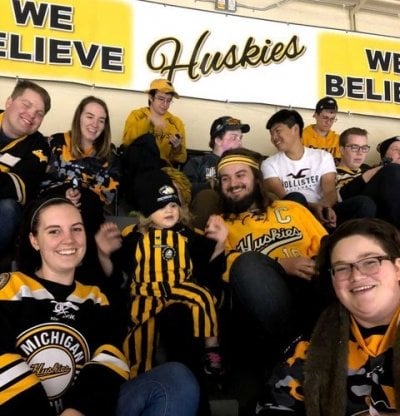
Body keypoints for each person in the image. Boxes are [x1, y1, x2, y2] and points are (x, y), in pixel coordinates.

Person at [0, 196, 200, 416]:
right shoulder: (8, 286)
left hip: (87, 410)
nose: (69, 240)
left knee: (175, 379)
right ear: (34, 240)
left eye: (76, 229)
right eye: (54, 231)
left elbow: (110, 358)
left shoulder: (96, 297)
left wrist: (77, 410)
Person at [256, 218, 400, 415]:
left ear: (398, 268)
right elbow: (273, 406)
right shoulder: (310, 348)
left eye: (370, 262)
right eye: (342, 268)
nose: (356, 276)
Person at [205, 148, 328, 349]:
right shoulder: (220, 225)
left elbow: (327, 245)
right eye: (225, 179)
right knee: (248, 264)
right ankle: (295, 352)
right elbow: (226, 270)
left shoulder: (292, 208)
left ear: (256, 178)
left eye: (240, 175)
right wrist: (280, 265)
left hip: (312, 286)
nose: (233, 184)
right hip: (265, 300)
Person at [117, 170, 225, 380]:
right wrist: (105, 250)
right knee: (140, 330)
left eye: (173, 205)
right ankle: (137, 374)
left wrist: (218, 243)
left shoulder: (187, 235)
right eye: (161, 206)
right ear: (147, 210)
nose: (169, 210)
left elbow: (205, 262)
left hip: (178, 286)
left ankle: (211, 348)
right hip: (145, 291)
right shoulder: (134, 237)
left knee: (202, 296)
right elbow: (119, 264)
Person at [262, 109, 376, 229]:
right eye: (271, 134)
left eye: (277, 131)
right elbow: (283, 197)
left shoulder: (323, 156)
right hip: (294, 215)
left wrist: (324, 209)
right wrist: (313, 207)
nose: (274, 137)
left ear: (295, 129)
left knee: (364, 203)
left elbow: (329, 191)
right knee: (296, 197)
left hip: (324, 212)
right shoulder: (269, 164)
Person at [40, 95, 119, 236]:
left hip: (87, 207)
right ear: (79, 117)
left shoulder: (109, 153)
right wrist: (64, 196)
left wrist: (78, 195)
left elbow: (107, 194)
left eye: (101, 121)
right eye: (90, 117)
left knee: (89, 205)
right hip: (52, 201)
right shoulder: (55, 142)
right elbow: (41, 181)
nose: (95, 124)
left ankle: (86, 256)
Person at [0, 79, 51, 261]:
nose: (31, 114)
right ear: (9, 102)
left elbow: (16, 189)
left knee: (7, 208)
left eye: (39, 113)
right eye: (26, 105)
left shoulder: (40, 147)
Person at [121, 78, 186, 209]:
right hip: (135, 169)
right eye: (161, 99)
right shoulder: (137, 115)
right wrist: (149, 120)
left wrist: (177, 147)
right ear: (151, 97)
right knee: (148, 140)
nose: (165, 104)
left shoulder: (176, 122)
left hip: (161, 170)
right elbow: (127, 141)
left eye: (169, 100)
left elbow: (182, 158)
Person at [183, 115, 250, 229]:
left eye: (240, 138)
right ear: (218, 140)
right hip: (207, 213)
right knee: (208, 195)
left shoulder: (244, 165)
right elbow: (184, 188)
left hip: (236, 213)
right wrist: (214, 185)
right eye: (234, 137)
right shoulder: (198, 162)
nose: (240, 143)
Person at [337, 129, 400, 228]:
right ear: (342, 150)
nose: (360, 153)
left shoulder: (368, 169)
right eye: (354, 147)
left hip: (381, 219)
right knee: (365, 203)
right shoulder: (329, 171)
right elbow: (336, 199)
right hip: (348, 214)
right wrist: (376, 171)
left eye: (364, 148)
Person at [302, 96, 341, 160]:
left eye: (332, 119)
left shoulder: (337, 140)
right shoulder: (301, 136)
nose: (328, 122)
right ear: (315, 115)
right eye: (325, 118)